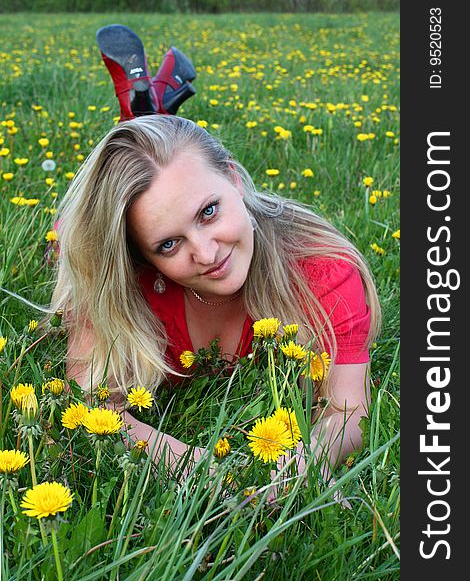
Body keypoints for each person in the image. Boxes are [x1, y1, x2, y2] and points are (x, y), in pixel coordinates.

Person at [50, 25, 381, 481]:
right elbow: (92, 409)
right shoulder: (116, 278)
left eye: (209, 211)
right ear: (143, 260)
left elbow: (349, 413)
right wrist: (196, 467)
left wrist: (298, 469)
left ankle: (145, 112)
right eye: (168, 244)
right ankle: (147, 112)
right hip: (98, 238)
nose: (206, 254)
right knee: (67, 237)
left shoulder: (320, 270)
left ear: (235, 180)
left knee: (159, 170)